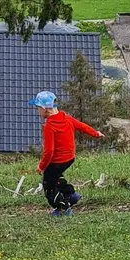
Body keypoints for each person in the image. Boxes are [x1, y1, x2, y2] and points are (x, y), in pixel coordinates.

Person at [33, 89, 102, 217]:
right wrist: (96, 133)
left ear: (44, 109)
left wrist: (41, 167)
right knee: (57, 178)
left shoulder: (49, 126)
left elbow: (49, 151)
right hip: (69, 158)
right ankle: (72, 195)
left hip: (57, 161)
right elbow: (81, 126)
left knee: (49, 186)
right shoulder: (67, 118)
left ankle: (64, 207)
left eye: (38, 108)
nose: (38, 111)